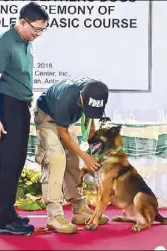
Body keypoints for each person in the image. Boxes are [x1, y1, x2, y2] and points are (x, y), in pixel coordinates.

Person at [0, 2, 49, 235]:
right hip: (6, 108)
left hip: (20, 107)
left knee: (16, 162)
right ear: (21, 21)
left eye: (42, 30)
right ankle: (2, 222)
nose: (38, 34)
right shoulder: (3, 44)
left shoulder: (25, 42)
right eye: (35, 29)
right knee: (8, 163)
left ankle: (3, 211)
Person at [34, 77, 109, 234]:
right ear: (81, 96)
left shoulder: (94, 91)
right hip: (47, 115)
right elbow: (63, 132)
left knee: (72, 159)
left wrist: (92, 145)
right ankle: (54, 216)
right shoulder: (67, 97)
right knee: (55, 157)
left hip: (64, 119)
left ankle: (79, 209)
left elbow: (89, 118)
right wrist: (85, 156)